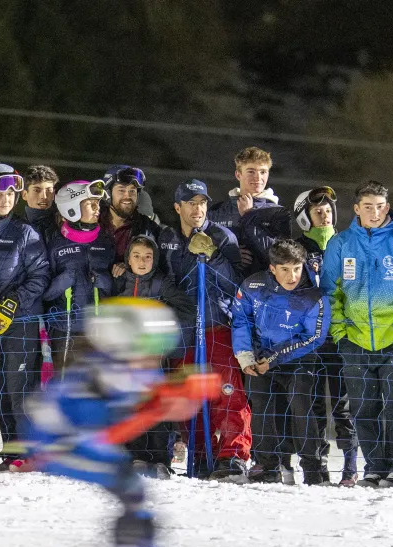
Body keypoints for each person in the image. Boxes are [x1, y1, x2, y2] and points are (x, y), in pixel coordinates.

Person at [23, 298, 211, 547]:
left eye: (161, 350)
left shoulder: (134, 371)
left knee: (131, 488)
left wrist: (181, 397)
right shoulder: (105, 370)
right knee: (129, 484)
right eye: (150, 349)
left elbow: (156, 406)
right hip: (58, 444)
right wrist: (168, 398)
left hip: (80, 442)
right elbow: (129, 412)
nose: (155, 358)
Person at [321, 181, 393, 489]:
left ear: (388, 207)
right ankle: (375, 466)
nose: (374, 212)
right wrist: (340, 333)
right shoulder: (341, 244)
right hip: (354, 342)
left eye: (380, 206)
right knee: (364, 408)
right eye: (368, 206)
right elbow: (331, 292)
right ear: (356, 209)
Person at [157, 179, 249, 479]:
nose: (198, 208)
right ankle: (198, 454)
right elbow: (161, 279)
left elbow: (237, 284)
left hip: (216, 325)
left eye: (202, 202)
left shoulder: (221, 236)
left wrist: (214, 255)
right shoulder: (167, 237)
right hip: (182, 331)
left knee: (227, 391)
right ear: (178, 207)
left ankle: (232, 455)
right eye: (191, 203)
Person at [233, 240, 329, 484]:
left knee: (301, 407)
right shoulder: (253, 285)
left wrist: (274, 358)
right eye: (285, 269)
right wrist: (244, 355)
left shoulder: (313, 294)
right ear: (272, 268)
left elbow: (314, 336)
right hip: (259, 357)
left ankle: (313, 469)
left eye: (296, 268)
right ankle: (267, 466)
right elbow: (241, 319)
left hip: (298, 359)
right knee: (261, 407)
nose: (292, 275)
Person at [0, 164, 50, 466]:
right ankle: (11, 447)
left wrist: (14, 301)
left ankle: (27, 450)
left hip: (17, 322)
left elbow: (39, 275)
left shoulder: (24, 232)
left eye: (10, 194)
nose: (5, 199)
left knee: (20, 388)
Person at [292, 186, 358, 484]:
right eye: (317, 211)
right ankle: (316, 466)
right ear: (304, 218)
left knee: (344, 404)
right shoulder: (295, 249)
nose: (325, 214)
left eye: (328, 210)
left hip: (343, 338)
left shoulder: (347, 244)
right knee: (314, 404)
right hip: (310, 341)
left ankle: (350, 466)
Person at [113, 234, 195, 473]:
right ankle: (137, 455)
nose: (142, 261)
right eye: (136, 256)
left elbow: (187, 308)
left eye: (148, 257)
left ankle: (160, 457)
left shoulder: (162, 283)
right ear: (128, 259)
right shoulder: (121, 280)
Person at [43, 180, 115, 373]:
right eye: (90, 203)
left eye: (97, 203)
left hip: (98, 330)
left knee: (97, 384)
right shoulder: (55, 244)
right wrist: (62, 282)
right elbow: (44, 294)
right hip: (64, 330)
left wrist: (106, 282)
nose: (97, 208)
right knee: (65, 384)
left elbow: (118, 286)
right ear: (72, 207)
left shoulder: (106, 242)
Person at [208, 147, 291, 276]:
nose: (258, 177)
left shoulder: (278, 213)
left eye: (263, 172)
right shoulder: (216, 210)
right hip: (222, 292)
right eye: (251, 171)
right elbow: (201, 248)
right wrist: (229, 252)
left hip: (262, 291)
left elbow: (280, 257)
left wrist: (248, 216)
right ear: (238, 174)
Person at [100, 165, 161, 264]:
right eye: (121, 190)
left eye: (132, 191)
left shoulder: (149, 229)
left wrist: (129, 270)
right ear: (108, 193)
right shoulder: (93, 223)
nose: (127, 196)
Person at [22, 165, 59, 237]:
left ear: (54, 194)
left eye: (49, 190)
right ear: (24, 195)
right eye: (37, 190)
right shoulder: (14, 227)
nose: (44, 196)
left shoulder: (63, 226)